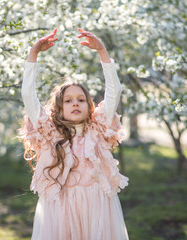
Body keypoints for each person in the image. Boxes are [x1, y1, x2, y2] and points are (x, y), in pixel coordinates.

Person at [21, 28, 129, 240]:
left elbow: (114, 91)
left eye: (80, 99)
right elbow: (28, 95)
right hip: (60, 208)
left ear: (89, 106)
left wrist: (102, 52)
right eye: (68, 101)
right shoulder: (49, 131)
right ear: (58, 108)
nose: (75, 103)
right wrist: (33, 55)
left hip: (97, 206)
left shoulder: (98, 128)